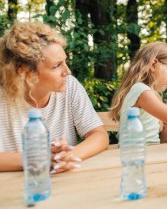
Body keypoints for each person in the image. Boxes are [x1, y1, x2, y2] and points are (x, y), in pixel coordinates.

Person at [0, 22, 109, 173]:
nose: (67, 71)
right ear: (26, 73)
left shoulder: (70, 86)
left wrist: (68, 155)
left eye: (65, 62)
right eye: (57, 66)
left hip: (64, 184)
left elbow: (99, 135)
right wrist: (37, 159)